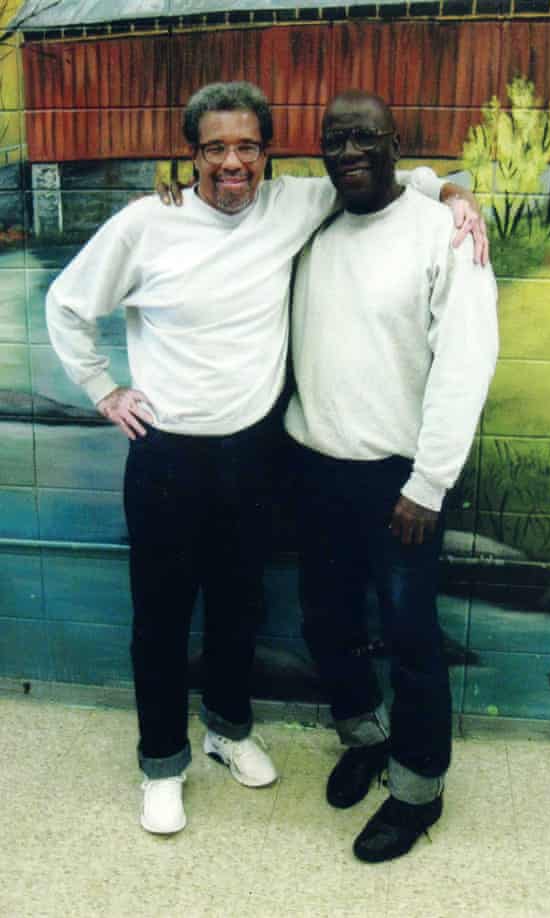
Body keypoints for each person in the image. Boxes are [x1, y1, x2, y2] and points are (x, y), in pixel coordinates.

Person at [46, 81, 488, 836]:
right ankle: (172, 761)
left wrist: (452, 192)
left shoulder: (344, 215)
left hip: (316, 467)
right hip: (211, 460)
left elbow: (392, 188)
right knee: (193, 620)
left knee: (289, 617)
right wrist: (101, 388)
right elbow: (67, 304)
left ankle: (279, 746)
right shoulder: (164, 221)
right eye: (214, 148)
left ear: (270, 155)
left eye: (247, 146)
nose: (232, 163)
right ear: (189, 157)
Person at [284, 89, 498, 862]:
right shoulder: (314, 223)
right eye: (334, 139)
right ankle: (365, 737)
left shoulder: (444, 232)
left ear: (395, 141)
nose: (349, 151)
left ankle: (417, 792)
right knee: (327, 622)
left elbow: (466, 366)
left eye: (365, 137)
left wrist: (429, 484)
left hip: (400, 483)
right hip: (314, 469)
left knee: (410, 640)